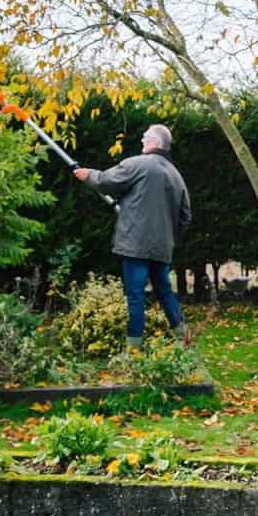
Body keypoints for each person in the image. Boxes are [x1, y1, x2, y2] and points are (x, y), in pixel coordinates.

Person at [74, 124, 192, 350]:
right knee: (165, 292)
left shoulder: (138, 164)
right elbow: (186, 217)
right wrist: (169, 238)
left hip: (136, 246)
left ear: (156, 143)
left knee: (135, 296)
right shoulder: (177, 176)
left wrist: (87, 174)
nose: (142, 142)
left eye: (145, 138)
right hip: (162, 249)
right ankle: (184, 339)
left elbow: (106, 181)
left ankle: (133, 351)